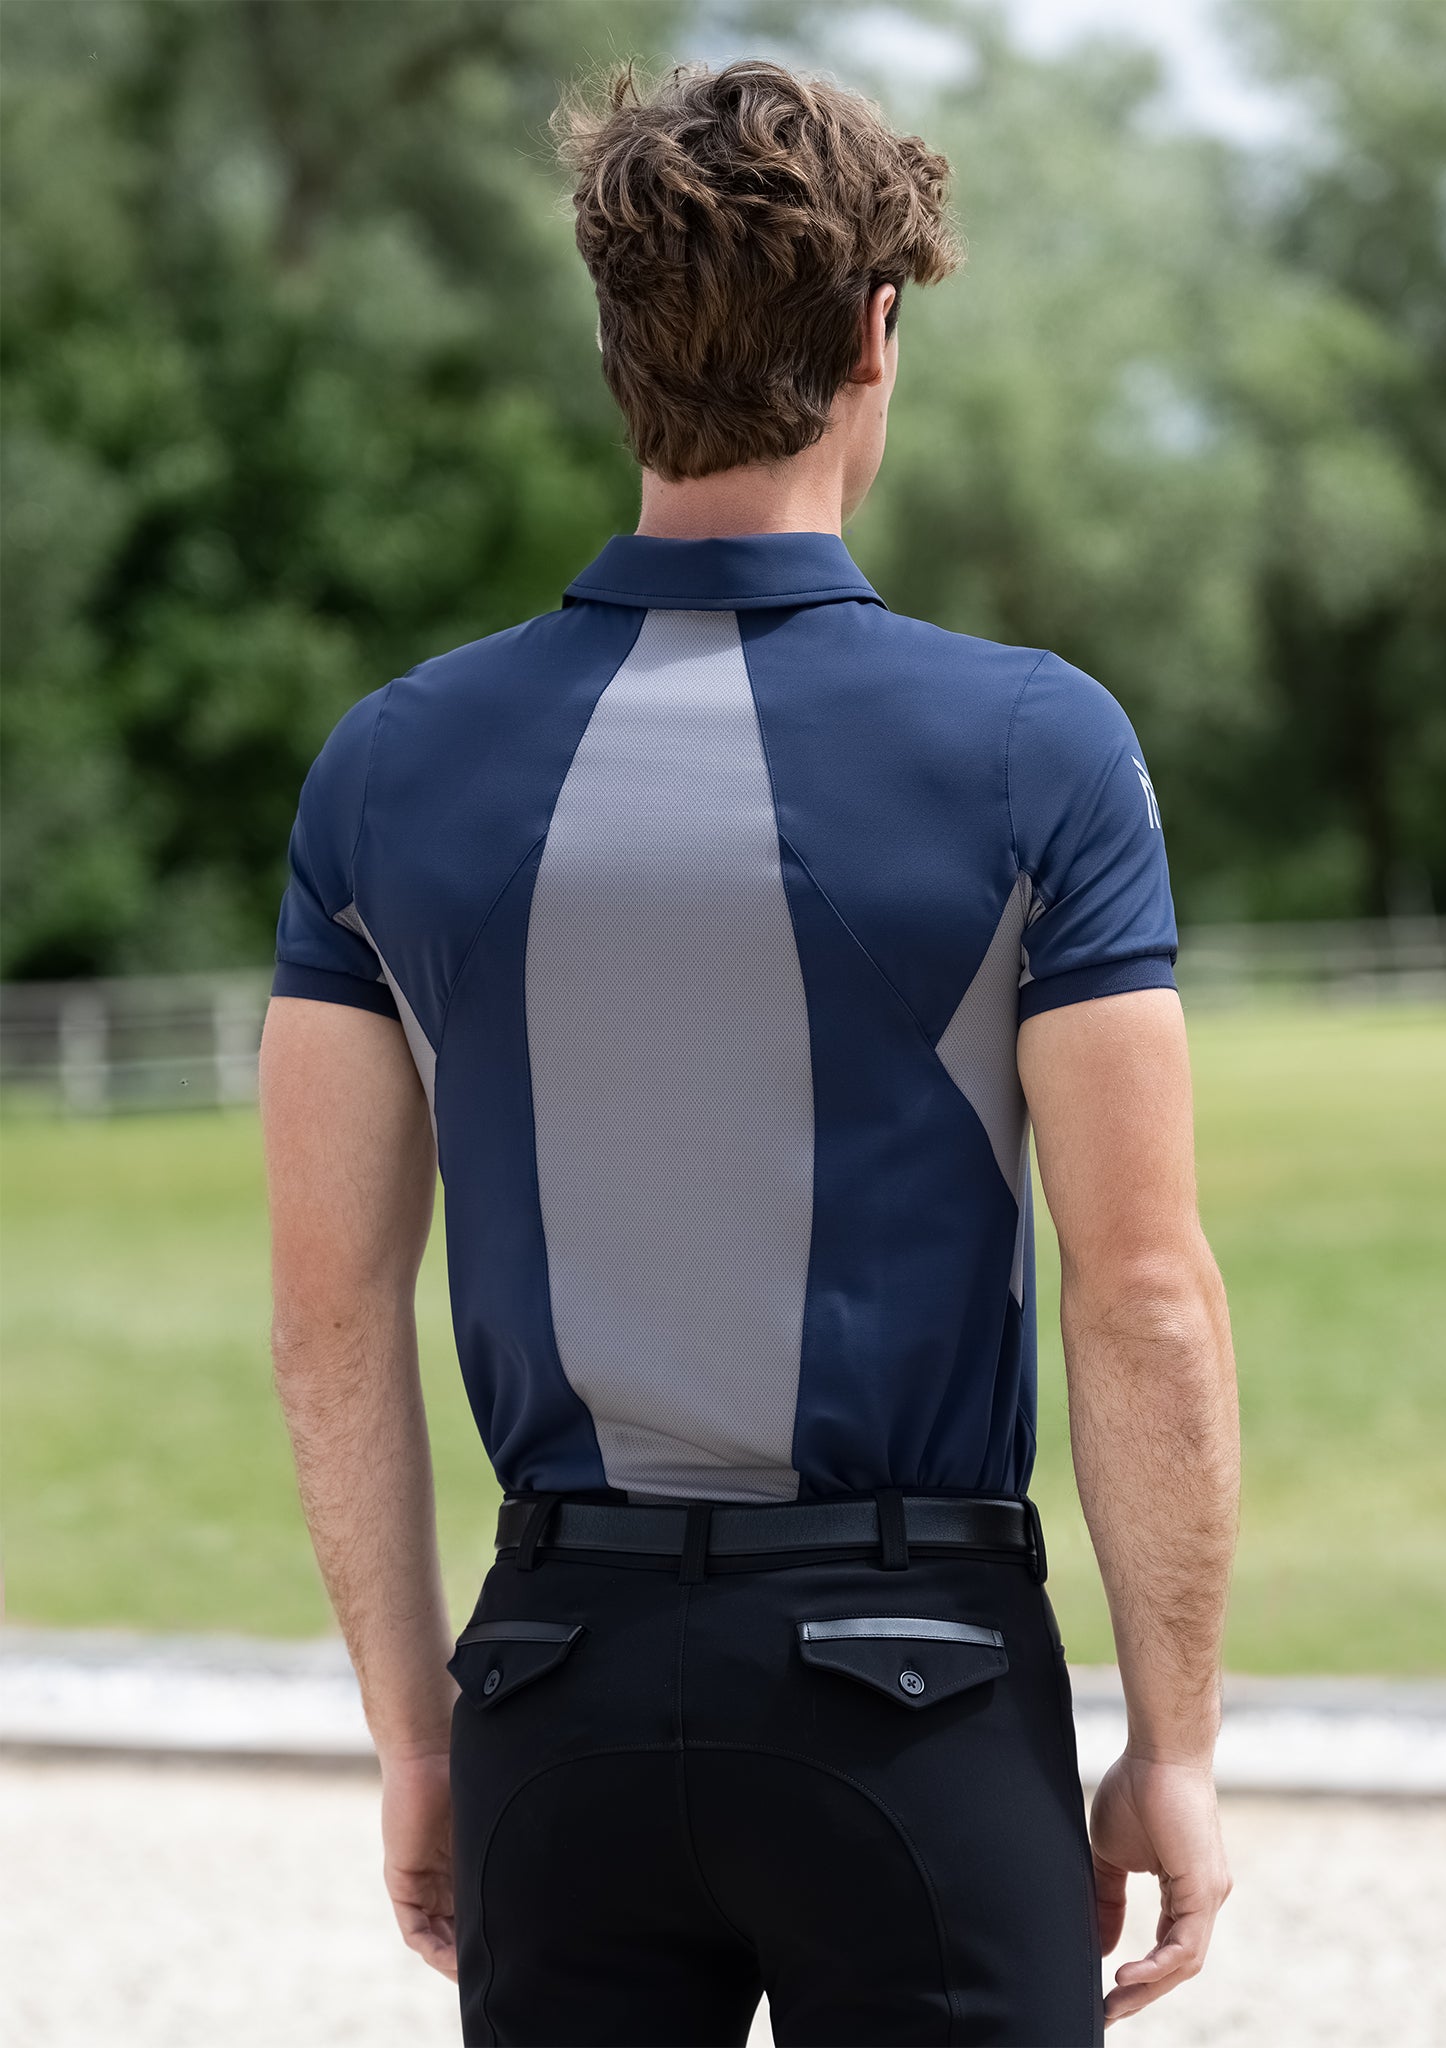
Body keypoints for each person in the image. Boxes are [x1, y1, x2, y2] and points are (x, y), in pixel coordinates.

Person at [259, 56, 1239, 2048]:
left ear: (616, 345)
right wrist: (1176, 1745)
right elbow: (1142, 1291)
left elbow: (328, 1307)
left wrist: (419, 1736)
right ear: (879, 333)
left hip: (554, 1695)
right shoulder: (1036, 747)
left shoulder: (388, 767)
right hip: (919, 1696)